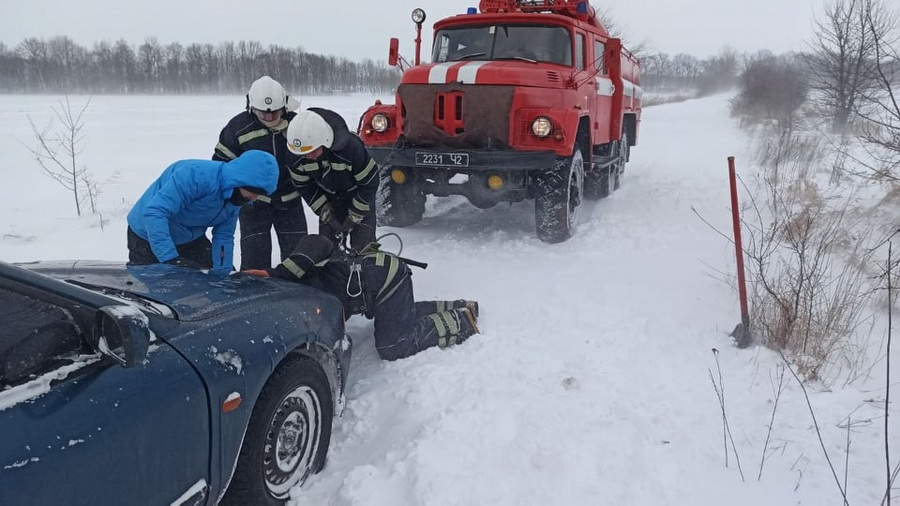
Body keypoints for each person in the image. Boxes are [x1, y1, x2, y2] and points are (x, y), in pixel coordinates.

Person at [240, 234, 480, 361]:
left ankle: (462, 321)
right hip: (377, 282)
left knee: (392, 345)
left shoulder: (293, 274)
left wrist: (279, 272)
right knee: (397, 316)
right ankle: (459, 305)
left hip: (385, 278)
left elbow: (318, 241)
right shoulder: (293, 303)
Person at [126, 150, 278, 272]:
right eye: (254, 192)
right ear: (240, 181)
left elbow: (223, 235)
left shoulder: (237, 197)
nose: (255, 198)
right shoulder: (194, 175)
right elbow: (155, 213)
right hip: (147, 235)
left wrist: (223, 272)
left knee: (207, 284)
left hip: (190, 238)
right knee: (154, 292)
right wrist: (170, 258)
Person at [213, 75, 307, 270]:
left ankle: (299, 296)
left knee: (298, 260)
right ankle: (254, 297)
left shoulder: (298, 125)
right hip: (253, 204)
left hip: (291, 201)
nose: (270, 117)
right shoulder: (237, 128)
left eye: (275, 112)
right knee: (254, 259)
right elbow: (221, 166)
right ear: (251, 106)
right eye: (263, 112)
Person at [285, 107, 379, 252]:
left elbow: (369, 183)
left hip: (359, 196)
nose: (308, 157)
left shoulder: (351, 149)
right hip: (329, 199)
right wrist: (323, 209)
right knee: (327, 252)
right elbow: (303, 186)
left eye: (313, 152)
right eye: (305, 154)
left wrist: (355, 215)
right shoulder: (296, 154)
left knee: (363, 249)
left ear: (325, 141)